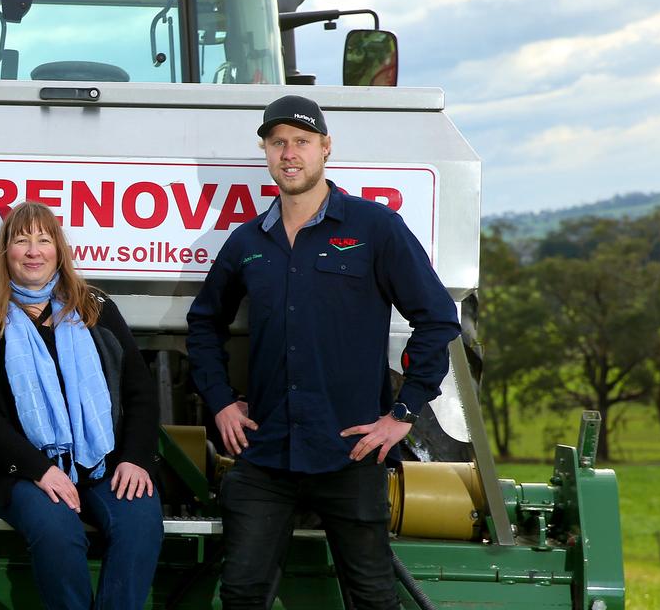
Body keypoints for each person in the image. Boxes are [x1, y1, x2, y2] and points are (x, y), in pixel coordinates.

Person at [186, 95, 461, 609]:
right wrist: (221, 400)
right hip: (265, 455)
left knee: (373, 596)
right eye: (279, 143)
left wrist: (404, 413)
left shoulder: (374, 228)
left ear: (325, 148)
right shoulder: (247, 241)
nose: (290, 153)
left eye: (302, 142)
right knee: (242, 594)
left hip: (351, 453)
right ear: (266, 152)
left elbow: (438, 319)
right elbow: (204, 324)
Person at [0, 201, 163, 610]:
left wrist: (136, 458)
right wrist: (40, 469)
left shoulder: (96, 309)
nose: (33, 251)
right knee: (58, 533)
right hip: (27, 474)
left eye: (44, 240)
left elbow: (140, 390)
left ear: (59, 250)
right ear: (5, 253)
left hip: (104, 462)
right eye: (21, 240)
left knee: (140, 524)